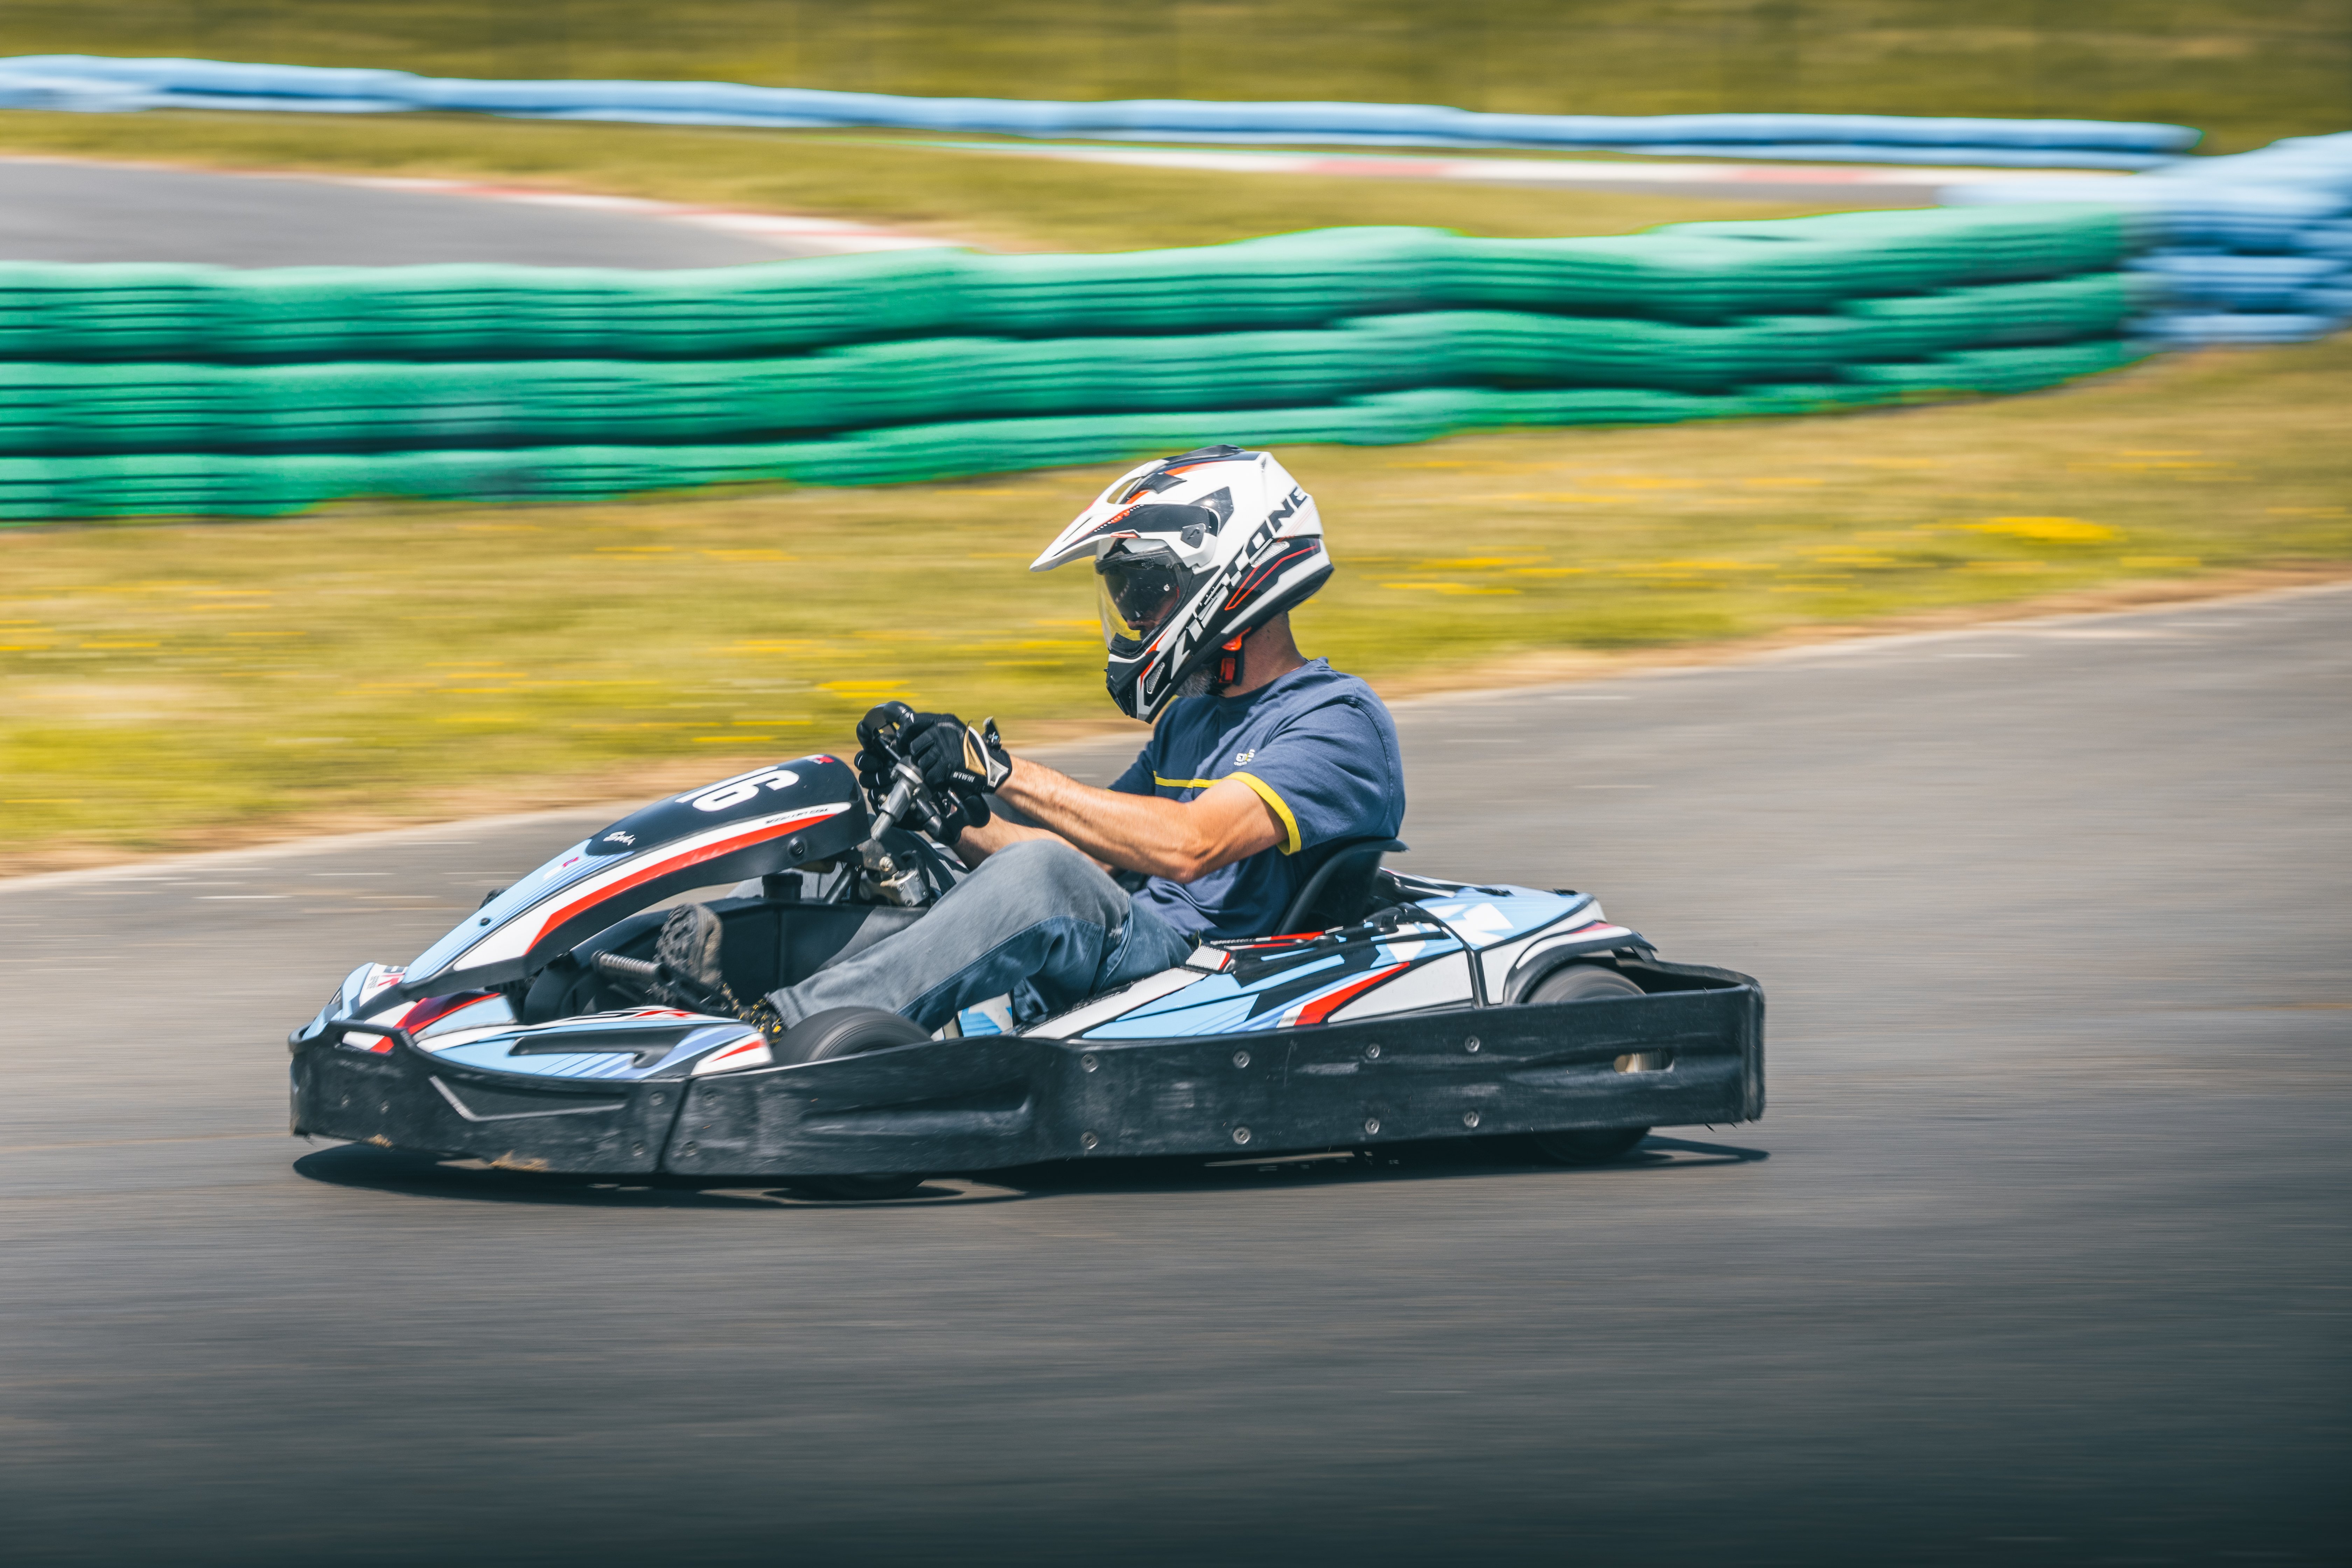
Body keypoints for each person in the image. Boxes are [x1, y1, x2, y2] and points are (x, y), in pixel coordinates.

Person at [656, 444, 1406, 1043]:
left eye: (1148, 593)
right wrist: (949, 814)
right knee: (883, 844)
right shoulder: (1193, 719)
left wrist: (1001, 769)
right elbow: (1100, 857)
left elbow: (1189, 847)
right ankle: (650, 980)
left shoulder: (1337, 722)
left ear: (1231, 577)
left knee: (1040, 873)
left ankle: (775, 1030)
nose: (1137, 617)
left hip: (1204, 978)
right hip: (1127, 941)